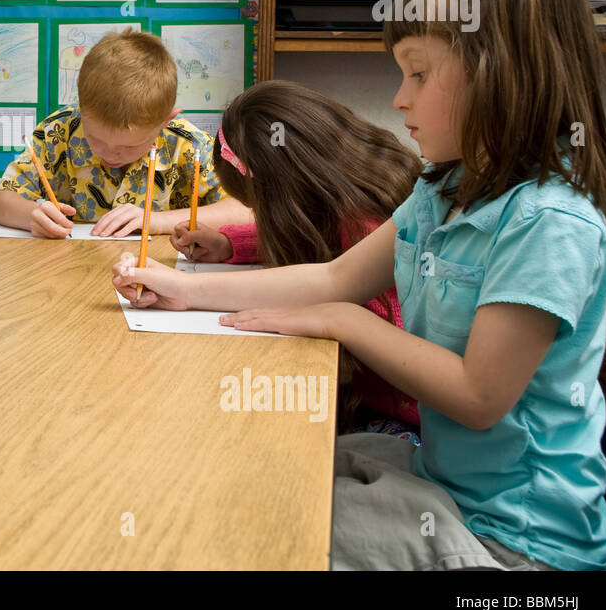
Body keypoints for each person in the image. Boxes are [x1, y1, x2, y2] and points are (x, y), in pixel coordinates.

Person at [113, 0, 606, 570]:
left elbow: (478, 395)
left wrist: (346, 319)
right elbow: (334, 276)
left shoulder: (549, 222)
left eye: (419, 74)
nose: (400, 99)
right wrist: (185, 291)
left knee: (261, 538)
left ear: (498, 73)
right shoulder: (445, 190)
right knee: (250, 473)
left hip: (521, 547)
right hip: (449, 485)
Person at [172, 80, 423, 436]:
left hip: (405, 417)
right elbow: (314, 234)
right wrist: (232, 244)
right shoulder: (353, 193)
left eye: (259, 206)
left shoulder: (363, 222)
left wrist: (185, 289)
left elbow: (334, 280)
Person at [0, 28, 251, 238]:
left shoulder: (187, 144)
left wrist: (156, 221)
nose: (111, 154)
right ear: (80, 98)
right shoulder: (56, 133)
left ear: (166, 120)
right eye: (96, 140)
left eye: (130, 146)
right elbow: (0, 202)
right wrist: (30, 214)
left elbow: (246, 212)